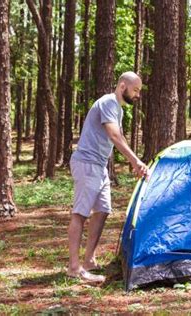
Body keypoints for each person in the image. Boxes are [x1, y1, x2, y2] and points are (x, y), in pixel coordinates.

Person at [67, 71, 148, 282]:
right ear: (123, 86)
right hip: (86, 163)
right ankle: (74, 268)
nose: (138, 95)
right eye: (135, 90)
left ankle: (89, 261)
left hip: (99, 166)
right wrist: (135, 161)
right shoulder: (108, 103)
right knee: (80, 214)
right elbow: (114, 135)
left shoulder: (117, 109)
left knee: (102, 210)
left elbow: (116, 137)